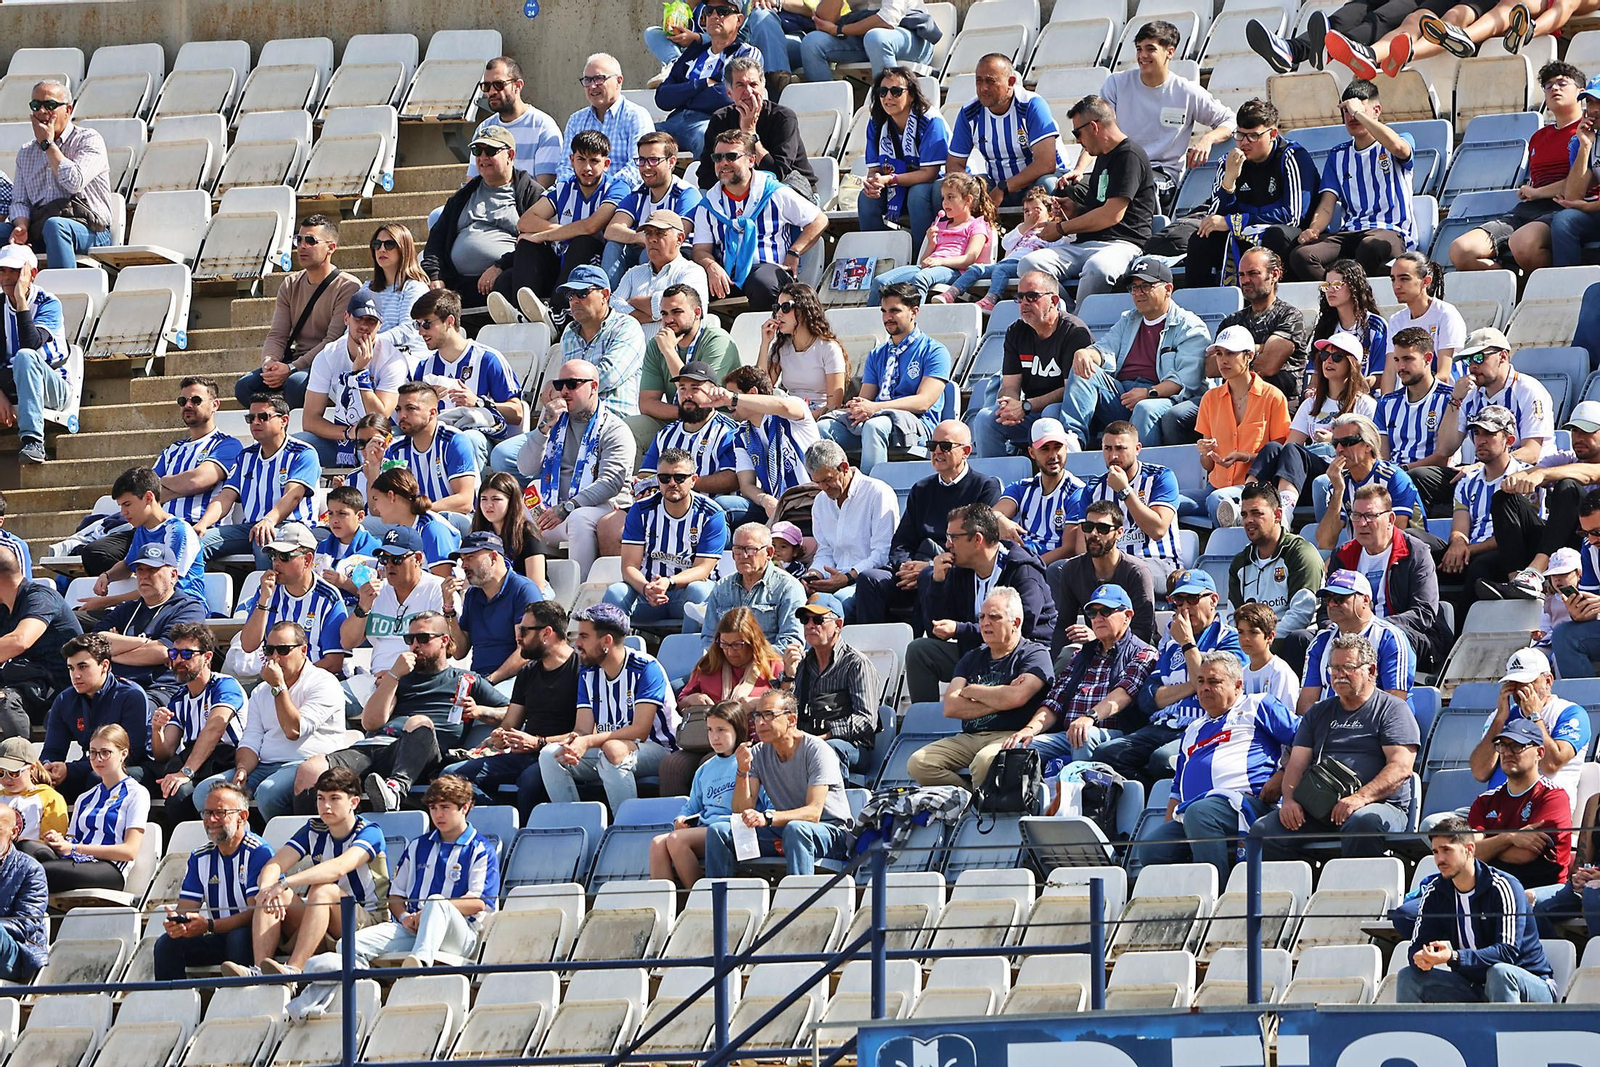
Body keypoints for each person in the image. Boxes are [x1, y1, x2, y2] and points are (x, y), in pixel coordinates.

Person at [306, 610, 508, 815]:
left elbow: (512, 711)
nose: (415, 645)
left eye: (423, 638)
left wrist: (480, 711)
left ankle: (395, 789)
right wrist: (393, 676)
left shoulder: (466, 680)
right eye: (410, 639)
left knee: (418, 722)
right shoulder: (398, 677)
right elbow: (371, 723)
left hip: (421, 753)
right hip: (375, 747)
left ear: (444, 641)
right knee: (311, 769)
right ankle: (312, 828)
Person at [1250, 633, 1419, 859]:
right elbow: (1296, 764)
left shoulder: (1393, 710)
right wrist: (1289, 801)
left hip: (1379, 805)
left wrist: (1360, 798)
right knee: (1264, 831)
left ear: (1371, 670)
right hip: (1319, 805)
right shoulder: (1318, 712)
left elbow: (1400, 767)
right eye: (1334, 668)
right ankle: (1299, 882)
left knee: (1361, 823)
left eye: (1347, 667)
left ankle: (1356, 884)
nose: (1339, 675)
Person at [1138, 652, 1300, 877]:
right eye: (1200, 681)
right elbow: (1177, 789)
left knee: (1199, 814)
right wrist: (1169, 829)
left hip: (1247, 805)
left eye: (1214, 682)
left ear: (1238, 685)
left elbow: (1305, 739)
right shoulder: (1193, 729)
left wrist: (1282, 775)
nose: (1204, 688)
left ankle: (1216, 892)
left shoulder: (1257, 705)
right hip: (1195, 813)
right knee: (1152, 849)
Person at [221, 766, 389, 979]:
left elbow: (338, 868)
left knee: (323, 890)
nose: (325, 806)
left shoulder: (370, 832)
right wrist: (268, 889)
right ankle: (259, 970)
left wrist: (285, 883)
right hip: (321, 917)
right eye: (320, 798)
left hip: (368, 921)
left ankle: (294, 971)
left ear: (354, 802)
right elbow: (274, 865)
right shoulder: (314, 829)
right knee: (274, 892)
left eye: (334, 798)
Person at [329, 775, 499, 973]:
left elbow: (479, 902)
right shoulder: (418, 845)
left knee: (436, 902)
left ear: (465, 807)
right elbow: (395, 895)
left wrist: (429, 912)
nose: (438, 814)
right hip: (413, 929)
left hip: (460, 935)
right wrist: (404, 917)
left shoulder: (481, 849)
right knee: (348, 945)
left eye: (445, 807)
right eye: (433, 808)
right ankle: (371, 986)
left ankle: (419, 966)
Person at [78, 376, 243, 577]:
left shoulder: (227, 444)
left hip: (192, 528)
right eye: (182, 401)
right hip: (156, 527)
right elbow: (149, 492)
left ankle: (150, 587)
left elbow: (197, 480)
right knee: (95, 552)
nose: (188, 405)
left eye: (196, 400)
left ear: (215, 404)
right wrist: (175, 485)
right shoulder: (172, 450)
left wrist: (164, 483)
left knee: (161, 562)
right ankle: (139, 589)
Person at [1103, 570, 1248, 786]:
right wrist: (1193, 684)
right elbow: (1148, 699)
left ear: (1213, 600)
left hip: (1206, 726)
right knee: (1106, 754)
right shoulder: (1172, 645)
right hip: (1163, 725)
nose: (1184, 607)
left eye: (1192, 599)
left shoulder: (1230, 639)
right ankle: (1147, 799)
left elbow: (1215, 690)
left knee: (1161, 760)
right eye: (1179, 601)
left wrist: (1188, 644)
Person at [191, 621, 350, 818]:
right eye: (269, 650)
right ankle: (239, 835)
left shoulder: (324, 682)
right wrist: (242, 769)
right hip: (264, 765)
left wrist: (278, 687)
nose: (275, 657)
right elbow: (250, 740)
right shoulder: (261, 691)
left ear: (303, 650)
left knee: (268, 793)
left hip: (304, 764)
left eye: (283, 650)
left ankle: (282, 835)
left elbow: (294, 730)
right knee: (205, 792)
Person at [1150, 102, 1316, 288]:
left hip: (1286, 235)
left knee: (1276, 235)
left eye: (1253, 136)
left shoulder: (1291, 157)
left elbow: (1293, 217)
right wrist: (1229, 180)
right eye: (1240, 135)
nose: (1244, 142)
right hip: (1241, 233)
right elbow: (1214, 217)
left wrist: (1234, 222)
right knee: (1201, 238)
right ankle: (1202, 300)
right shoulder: (1229, 161)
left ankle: (1276, 296)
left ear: (1272, 134)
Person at [852, 420, 1000, 628]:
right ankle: (872, 646)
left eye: (945, 446)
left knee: (928, 577)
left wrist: (928, 567)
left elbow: (979, 545)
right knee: (870, 579)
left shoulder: (985, 487)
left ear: (966, 451)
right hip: (915, 569)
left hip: (957, 572)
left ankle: (920, 645)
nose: (937, 451)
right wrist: (906, 566)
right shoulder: (921, 489)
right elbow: (902, 541)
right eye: (932, 446)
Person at [905, 502, 1056, 703]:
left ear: (977, 539)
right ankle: (925, 719)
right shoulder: (960, 571)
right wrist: (938, 582)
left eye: (953, 538)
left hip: (1019, 658)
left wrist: (959, 630)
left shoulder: (1023, 570)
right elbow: (936, 628)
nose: (947, 545)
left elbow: (1022, 628)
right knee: (920, 651)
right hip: (977, 654)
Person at [907, 586, 1055, 791]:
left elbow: (1018, 697)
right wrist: (1003, 698)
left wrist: (972, 691)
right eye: (982, 617)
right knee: (919, 763)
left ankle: (979, 806)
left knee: (984, 762)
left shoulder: (1035, 654)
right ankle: (968, 797)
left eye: (994, 617)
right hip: (970, 737)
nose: (985, 623)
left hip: (1011, 734)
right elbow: (951, 707)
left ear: (1016, 622)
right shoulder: (972, 657)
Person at [1397, 815, 1557, 1003]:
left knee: (1500, 973)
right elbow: (1417, 945)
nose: (1440, 859)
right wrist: (1421, 957)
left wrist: (1454, 957)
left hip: (1529, 982)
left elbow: (1507, 953)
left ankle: (1505, 1024)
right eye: (1435, 852)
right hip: (1473, 986)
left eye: (1447, 850)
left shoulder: (1503, 887)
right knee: (1409, 977)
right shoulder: (1435, 892)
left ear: (1469, 849)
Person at [444, 601, 580, 819]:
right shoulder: (528, 672)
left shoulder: (580, 669)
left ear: (547, 633)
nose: (517, 638)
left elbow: (585, 732)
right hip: (524, 755)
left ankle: (524, 831)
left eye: (524, 631)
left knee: (530, 780)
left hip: (560, 755)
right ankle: (503, 821)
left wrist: (539, 742)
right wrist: (500, 737)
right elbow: (510, 723)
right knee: (452, 777)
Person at [1448, 64, 1585, 273]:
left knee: (1524, 243)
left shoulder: (1589, 131)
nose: (1555, 88)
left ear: (1580, 92)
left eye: (1562, 83)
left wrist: (1537, 192)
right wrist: (1532, 192)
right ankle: (1516, 283)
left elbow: (1583, 181)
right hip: (1529, 209)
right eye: (1548, 86)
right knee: (1461, 251)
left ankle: (1543, 287)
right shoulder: (1538, 137)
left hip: (1564, 208)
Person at [1019, 96, 1158, 302]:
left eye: (1077, 133)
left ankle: (1080, 319)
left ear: (1094, 126)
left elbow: (1111, 215)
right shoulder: (1103, 156)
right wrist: (1074, 210)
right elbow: (1098, 207)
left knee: (1098, 268)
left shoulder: (1130, 156)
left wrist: (1061, 228)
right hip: (1086, 244)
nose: (1077, 140)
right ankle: (1065, 315)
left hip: (1123, 245)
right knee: (1029, 265)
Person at [1059, 257, 1209, 448]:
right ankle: (1072, 441)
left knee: (1145, 408)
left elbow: (1185, 381)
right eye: (1134, 288)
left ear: (1168, 289)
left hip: (1164, 398)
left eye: (1146, 286)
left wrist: (1149, 393)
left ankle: (1143, 464)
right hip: (1123, 395)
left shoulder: (1189, 326)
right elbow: (1104, 349)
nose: (1138, 293)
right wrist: (1086, 354)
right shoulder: (1129, 319)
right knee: (1083, 369)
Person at [542, 603, 679, 809]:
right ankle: (575, 822)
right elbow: (582, 729)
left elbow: (640, 731)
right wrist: (574, 743)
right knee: (550, 755)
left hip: (659, 749)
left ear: (607, 640)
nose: (577, 643)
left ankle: (626, 824)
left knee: (612, 750)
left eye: (584, 636)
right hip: (608, 746)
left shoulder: (646, 668)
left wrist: (588, 741)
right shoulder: (588, 672)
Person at [510, 359, 637, 577]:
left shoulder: (615, 429)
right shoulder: (553, 420)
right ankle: (528, 581)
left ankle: (581, 586)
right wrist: (544, 427)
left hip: (604, 508)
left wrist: (568, 507)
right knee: (520, 501)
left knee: (579, 518)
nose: (564, 391)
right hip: (556, 506)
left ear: (593, 387)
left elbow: (610, 484)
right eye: (559, 385)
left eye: (572, 384)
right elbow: (525, 467)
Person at [705, 689, 852, 875]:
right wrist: (742, 771)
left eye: (769, 715)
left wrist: (768, 817)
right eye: (757, 715)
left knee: (796, 829)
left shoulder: (817, 750)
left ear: (791, 719)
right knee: (719, 831)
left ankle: (800, 893)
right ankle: (721, 893)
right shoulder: (758, 753)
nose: (760, 723)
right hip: (783, 829)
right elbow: (741, 810)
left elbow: (814, 813)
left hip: (830, 833)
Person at [1008, 583, 1160, 764]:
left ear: (1127, 616)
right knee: (1019, 747)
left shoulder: (1144, 653)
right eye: (1092, 613)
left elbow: (1124, 694)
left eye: (1105, 611)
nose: (1098, 618)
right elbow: (1055, 701)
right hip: (1069, 734)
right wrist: (1029, 729)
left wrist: (1090, 717)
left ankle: (1080, 783)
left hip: (1117, 737)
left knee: (1084, 735)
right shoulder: (1080, 655)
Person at [1289, 81, 1416, 281]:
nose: (1351, 117)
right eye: (1346, 111)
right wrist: (1314, 229)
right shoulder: (1338, 155)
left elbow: (1399, 148)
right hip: (1350, 232)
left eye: (1356, 110)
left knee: (1369, 247)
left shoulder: (1399, 140)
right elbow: (1327, 205)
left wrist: (1359, 114)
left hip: (1390, 231)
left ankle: (1357, 293)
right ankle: (1338, 291)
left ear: (1376, 111)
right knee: (1302, 255)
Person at [1097, 20, 1237, 200]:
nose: (1142, 55)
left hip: (1161, 176)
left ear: (1170, 52)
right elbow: (1098, 129)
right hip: (1118, 170)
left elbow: (1230, 120)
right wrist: (1078, 170)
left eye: (1150, 49)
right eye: (1139, 49)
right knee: (1071, 191)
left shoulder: (1186, 91)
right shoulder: (1116, 83)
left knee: (1127, 188)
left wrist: (1207, 139)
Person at [819, 282, 952, 470]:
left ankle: (871, 486)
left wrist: (875, 408)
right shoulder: (877, 354)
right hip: (876, 420)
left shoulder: (935, 351)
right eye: (884, 311)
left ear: (914, 312)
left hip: (918, 426)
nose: (887, 317)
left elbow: (923, 402)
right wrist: (859, 407)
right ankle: (833, 485)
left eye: (894, 311)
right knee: (823, 428)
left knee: (875, 426)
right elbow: (866, 398)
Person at [496, 131, 626, 320]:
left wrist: (543, 235)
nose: (587, 168)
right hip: (561, 264)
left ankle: (557, 314)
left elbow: (591, 226)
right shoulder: (563, 187)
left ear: (606, 164)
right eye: (581, 160)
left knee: (583, 241)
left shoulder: (617, 188)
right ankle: (522, 313)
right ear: (572, 160)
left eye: (594, 161)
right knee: (523, 250)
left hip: (591, 267)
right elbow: (525, 221)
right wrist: (560, 232)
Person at [236, 216, 363, 408]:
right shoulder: (290, 283)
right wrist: (269, 363)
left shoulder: (348, 286)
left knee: (295, 385)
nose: (302, 246)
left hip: (328, 363)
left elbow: (332, 341)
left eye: (311, 241)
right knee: (245, 387)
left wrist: (292, 368)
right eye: (299, 239)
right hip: (295, 361)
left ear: (331, 248)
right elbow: (277, 334)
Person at [693, 130, 828, 312]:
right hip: (726, 273)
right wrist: (711, 266)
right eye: (718, 157)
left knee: (762, 284)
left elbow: (819, 220)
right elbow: (700, 250)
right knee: (689, 288)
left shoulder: (775, 192)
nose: (723, 163)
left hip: (768, 269)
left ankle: (774, 329)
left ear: (751, 160)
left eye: (731, 157)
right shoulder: (709, 204)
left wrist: (795, 252)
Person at [151, 782, 275, 980]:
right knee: (167, 944)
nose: (211, 820)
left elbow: (256, 913)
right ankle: (173, 999)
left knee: (238, 937)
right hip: (219, 935)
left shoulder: (258, 852)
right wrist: (179, 924)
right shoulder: (200, 856)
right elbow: (186, 909)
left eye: (220, 813)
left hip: (256, 939)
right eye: (207, 813)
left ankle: (243, 996)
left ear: (242, 817)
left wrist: (210, 925)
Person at [1245, 334, 1377, 516]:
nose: (1328, 361)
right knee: (1272, 449)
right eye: (1324, 355)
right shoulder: (1311, 404)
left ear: (1352, 363)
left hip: (1340, 471)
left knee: (1292, 450)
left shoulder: (1365, 404)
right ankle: (1245, 502)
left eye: (1337, 356)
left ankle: (1284, 514)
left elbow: (1371, 451)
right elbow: (1290, 446)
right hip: (1308, 474)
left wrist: (1334, 441)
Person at [1329, 484, 1452, 670]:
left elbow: (1423, 613)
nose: (1362, 523)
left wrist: (1373, 627)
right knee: (1301, 639)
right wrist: (1338, 630)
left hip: (1407, 634)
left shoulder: (1416, 553)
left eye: (1370, 516)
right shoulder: (1343, 555)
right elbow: (1327, 609)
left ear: (1390, 519)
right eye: (1356, 515)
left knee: (1391, 638)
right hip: (1351, 635)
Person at [603, 446, 729, 626]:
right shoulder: (640, 510)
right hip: (648, 594)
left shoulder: (711, 514)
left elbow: (703, 569)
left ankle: (690, 645)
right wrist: (646, 588)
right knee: (615, 593)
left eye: (679, 478)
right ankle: (614, 644)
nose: (671, 483)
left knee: (699, 591)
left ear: (693, 480)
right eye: (664, 478)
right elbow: (629, 566)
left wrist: (669, 583)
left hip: (686, 593)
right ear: (657, 480)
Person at [192, 393, 321, 569]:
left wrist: (269, 520)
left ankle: (269, 588)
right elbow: (225, 497)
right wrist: (203, 524)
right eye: (250, 418)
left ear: (284, 420)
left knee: (264, 541)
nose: (255, 422)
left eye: (263, 417)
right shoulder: (246, 456)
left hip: (292, 528)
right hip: (252, 528)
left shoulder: (303, 453)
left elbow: (293, 495)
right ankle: (193, 588)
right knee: (196, 543)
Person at [972, 272, 1090, 458]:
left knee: (1050, 413)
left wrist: (1026, 406)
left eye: (1032, 296)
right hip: (1029, 410)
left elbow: (1071, 390)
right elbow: (1010, 385)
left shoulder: (1074, 332)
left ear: (1054, 300)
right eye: (1020, 297)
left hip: (1064, 412)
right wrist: (1010, 405)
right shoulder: (1016, 331)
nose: (1024, 303)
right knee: (985, 419)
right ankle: (993, 475)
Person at [407, 288, 524, 472]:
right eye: (418, 325)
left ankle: (469, 491)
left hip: (479, 437)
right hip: (436, 438)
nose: (421, 332)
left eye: (427, 324)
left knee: (468, 439)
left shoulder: (487, 359)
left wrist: (478, 402)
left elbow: (517, 413)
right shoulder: (424, 367)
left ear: (449, 321)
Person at [425, 126, 542, 307]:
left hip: (506, 280)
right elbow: (436, 239)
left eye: (491, 151)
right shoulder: (463, 196)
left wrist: (500, 266)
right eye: (477, 151)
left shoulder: (531, 194)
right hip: (458, 284)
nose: (483, 157)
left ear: (510, 155)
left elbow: (538, 243)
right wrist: (435, 276)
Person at [1488, 402, 1600, 589]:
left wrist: (1543, 475)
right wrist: (1516, 480)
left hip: (1591, 542)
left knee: (1568, 487)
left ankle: (1536, 570)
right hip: (1558, 540)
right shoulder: (1565, 458)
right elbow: (1529, 473)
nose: (1578, 438)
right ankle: (1517, 580)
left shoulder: (1571, 467)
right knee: (1503, 499)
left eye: (1587, 432)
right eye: (1575, 431)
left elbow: (1589, 475)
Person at [27, 723, 149, 893]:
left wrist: (75, 848)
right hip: (78, 860)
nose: (98, 759)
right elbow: (72, 839)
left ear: (123, 754)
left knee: (39, 872)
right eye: (93, 752)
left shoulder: (136, 793)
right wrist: (58, 841)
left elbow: (129, 851)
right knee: (26, 849)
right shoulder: (85, 797)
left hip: (109, 867)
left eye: (105, 752)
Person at [9, 80, 113, 270]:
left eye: (50, 105)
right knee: (4, 231)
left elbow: (74, 182)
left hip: (90, 228)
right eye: (36, 106)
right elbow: (20, 201)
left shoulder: (88, 140)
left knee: (55, 227)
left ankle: (66, 286)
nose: (42, 111)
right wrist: (21, 225)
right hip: (40, 227)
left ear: (68, 110)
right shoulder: (26, 152)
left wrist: (48, 145)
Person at [1194, 326, 1293, 526]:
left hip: (1257, 489)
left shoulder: (1273, 397)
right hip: (1215, 487)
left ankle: (1238, 523)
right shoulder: (1209, 398)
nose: (1223, 360)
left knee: (1216, 501)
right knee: (1164, 502)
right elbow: (1208, 465)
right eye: (1219, 354)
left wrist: (1245, 457)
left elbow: (1279, 456)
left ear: (1249, 356)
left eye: (1230, 353)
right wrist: (1205, 453)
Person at [297, 290, 407, 468]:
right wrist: (348, 433)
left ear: (380, 325)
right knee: (296, 447)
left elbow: (381, 416)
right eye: (359, 318)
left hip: (383, 436)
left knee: (379, 448)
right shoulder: (328, 355)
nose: (364, 326)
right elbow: (310, 420)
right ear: (346, 318)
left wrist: (359, 374)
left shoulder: (392, 359)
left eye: (371, 321)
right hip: (343, 436)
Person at [149, 623, 244, 823]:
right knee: (139, 778)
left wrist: (186, 772)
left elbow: (214, 729)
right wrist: (157, 730)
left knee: (180, 794)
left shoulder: (224, 685)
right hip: (197, 761)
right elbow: (165, 753)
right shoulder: (180, 696)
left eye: (187, 654)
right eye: (174, 653)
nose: (178, 660)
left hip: (227, 760)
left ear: (207, 657)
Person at [652, 701, 753, 887]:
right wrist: (681, 818)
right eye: (710, 730)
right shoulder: (705, 768)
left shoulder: (749, 760)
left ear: (738, 729)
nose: (714, 737)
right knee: (657, 844)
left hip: (730, 829)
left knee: (676, 840)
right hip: (704, 828)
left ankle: (700, 897)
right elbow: (692, 806)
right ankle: (667, 902)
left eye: (721, 730)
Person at [629, 287, 741, 456]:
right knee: (627, 431)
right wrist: (684, 413)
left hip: (717, 419)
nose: (668, 320)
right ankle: (642, 475)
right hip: (678, 418)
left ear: (697, 312)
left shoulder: (718, 341)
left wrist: (669, 351)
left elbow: (705, 397)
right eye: (664, 314)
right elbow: (646, 404)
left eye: (676, 312)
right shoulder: (656, 344)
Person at [90, 543, 207, 704]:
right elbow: (95, 644)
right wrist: (146, 644)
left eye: (152, 570)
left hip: (160, 689)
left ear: (173, 575)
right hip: (115, 686)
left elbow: (163, 652)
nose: (144, 576)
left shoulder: (188, 608)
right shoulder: (126, 609)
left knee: (129, 708)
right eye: (140, 570)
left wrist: (114, 650)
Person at [39, 633, 148, 800]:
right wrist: (48, 768)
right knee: (43, 783)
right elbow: (53, 750)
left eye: (83, 667)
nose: (75, 675)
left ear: (104, 666)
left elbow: (131, 754)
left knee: (99, 778)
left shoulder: (131, 696)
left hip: (132, 768)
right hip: (91, 766)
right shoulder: (64, 700)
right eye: (71, 668)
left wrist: (70, 769)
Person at [946, 54, 1062, 209]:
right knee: (948, 188)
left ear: (1011, 82)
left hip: (1038, 181)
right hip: (996, 183)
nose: (983, 88)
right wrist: (972, 189)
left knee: (1047, 183)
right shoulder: (969, 112)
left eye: (990, 81)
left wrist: (1004, 187)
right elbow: (954, 164)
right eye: (979, 81)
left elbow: (1046, 164)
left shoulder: (1031, 106)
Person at [1472, 648, 1590, 799]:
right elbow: (1480, 772)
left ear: (1548, 681)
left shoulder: (1570, 713)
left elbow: (1551, 765)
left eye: (1526, 682)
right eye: (1513, 683)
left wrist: (1535, 717)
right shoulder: (1500, 715)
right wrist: (1500, 719)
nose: (1519, 689)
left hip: (1543, 804)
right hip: (1495, 805)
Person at [1430, 327, 1556, 468]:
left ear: (1503, 356)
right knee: (1423, 475)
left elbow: (1531, 453)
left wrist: (1479, 468)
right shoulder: (1469, 394)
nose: (1472, 366)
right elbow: (1445, 449)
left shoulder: (1528, 390)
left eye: (1479, 358)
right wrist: (1455, 400)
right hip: (1482, 471)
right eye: (1468, 361)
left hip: (1525, 472)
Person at [802, 439, 900, 619]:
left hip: (867, 582)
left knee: (828, 608)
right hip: (835, 580)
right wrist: (814, 574)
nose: (823, 488)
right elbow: (825, 551)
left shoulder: (878, 493)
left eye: (828, 480)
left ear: (844, 467)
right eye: (817, 482)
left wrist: (848, 577)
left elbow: (883, 552)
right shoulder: (820, 501)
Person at [85, 465, 203, 613]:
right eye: (121, 506)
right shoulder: (141, 530)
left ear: (148, 497)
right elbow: (128, 565)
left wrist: (107, 601)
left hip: (182, 609)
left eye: (127, 504)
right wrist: (107, 576)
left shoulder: (178, 531)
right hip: (149, 608)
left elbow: (164, 586)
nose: (123, 512)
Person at [866, 173, 997, 305]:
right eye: (943, 198)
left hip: (956, 271)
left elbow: (969, 260)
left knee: (921, 278)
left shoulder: (977, 225)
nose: (945, 202)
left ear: (968, 200)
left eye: (950, 197)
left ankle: (915, 316)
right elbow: (923, 262)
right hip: (929, 268)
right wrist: (931, 243)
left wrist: (940, 261)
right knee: (880, 282)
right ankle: (871, 317)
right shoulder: (939, 225)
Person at [655, 0, 762, 161]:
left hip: (711, 121)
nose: (714, 16)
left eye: (723, 11)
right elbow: (662, 98)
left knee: (705, 136)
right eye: (709, 11)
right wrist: (702, 84)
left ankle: (706, 179)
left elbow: (727, 96)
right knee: (643, 135)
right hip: (675, 121)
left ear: (739, 20)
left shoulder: (745, 52)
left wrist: (683, 96)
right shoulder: (693, 53)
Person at [700, 55, 817, 201]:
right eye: (740, 85)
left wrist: (750, 134)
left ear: (763, 87)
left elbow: (778, 174)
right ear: (729, 93)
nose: (748, 92)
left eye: (753, 84)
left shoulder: (783, 117)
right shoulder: (720, 119)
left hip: (790, 193)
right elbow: (705, 175)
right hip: (737, 195)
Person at [238, 522, 350, 674]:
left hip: (317, 680)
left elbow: (333, 662)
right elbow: (248, 645)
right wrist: (263, 600)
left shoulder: (328, 598)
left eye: (284, 556)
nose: (276, 562)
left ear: (307, 560)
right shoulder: (267, 590)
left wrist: (292, 679)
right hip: (275, 678)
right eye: (273, 555)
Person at [365, 382, 479, 532]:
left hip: (453, 519)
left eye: (410, 408)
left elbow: (464, 501)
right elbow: (376, 509)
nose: (401, 416)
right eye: (399, 409)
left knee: (444, 520)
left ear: (432, 413)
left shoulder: (453, 441)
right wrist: (374, 467)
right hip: (412, 520)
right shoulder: (395, 449)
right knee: (365, 524)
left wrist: (417, 511)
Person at [1053, 500, 1160, 656]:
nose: (1094, 534)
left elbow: (1143, 631)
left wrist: (1100, 639)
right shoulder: (1071, 570)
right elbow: (1064, 625)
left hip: (1136, 652)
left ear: (1119, 533)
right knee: (1065, 657)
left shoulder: (1137, 572)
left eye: (1102, 528)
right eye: (1088, 527)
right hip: (1095, 650)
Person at [1078, 422, 1184, 581]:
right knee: (1059, 571)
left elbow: (1157, 530)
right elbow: (1082, 543)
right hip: (1107, 564)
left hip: (1157, 562)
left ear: (1137, 449)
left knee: (1128, 572)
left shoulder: (1160, 477)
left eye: (1120, 448)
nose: (1113, 456)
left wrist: (1124, 491)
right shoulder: (1093, 488)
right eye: (1108, 449)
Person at [1298, 570, 1416, 711]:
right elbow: (1307, 702)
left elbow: (1395, 703)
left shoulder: (1389, 638)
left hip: (1375, 721)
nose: (1331, 604)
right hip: (1328, 722)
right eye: (1327, 599)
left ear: (1365, 600)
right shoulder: (1321, 641)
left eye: (1339, 598)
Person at [716, 365, 823, 519]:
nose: (728, 404)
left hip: (811, 498)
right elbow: (746, 485)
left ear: (752, 393)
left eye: (733, 396)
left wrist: (734, 399)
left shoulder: (791, 407)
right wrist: (765, 500)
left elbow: (784, 407)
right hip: (774, 505)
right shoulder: (741, 435)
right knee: (722, 505)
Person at [790, 593, 881, 773]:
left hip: (851, 746)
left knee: (827, 750)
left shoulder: (856, 663)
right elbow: (792, 709)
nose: (809, 625)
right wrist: (787, 676)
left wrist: (826, 736)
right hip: (810, 741)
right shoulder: (802, 663)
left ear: (838, 625)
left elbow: (866, 720)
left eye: (818, 620)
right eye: (805, 620)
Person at [1228, 482, 1325, 649]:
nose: (1248, 520)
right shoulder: (1240, 562)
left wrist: (1261, 643)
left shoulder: (1301, 554)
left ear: (1277, 515)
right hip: (1253, 645)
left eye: (1256, 513)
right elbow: (1233, 618)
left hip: (1291, 644)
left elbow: (1301, 615)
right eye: (1244, 514)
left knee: (1296, 639)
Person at [442, 533, 541, 696]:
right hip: (480, 681)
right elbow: (459, 652)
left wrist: (489, 681)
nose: (464, 565)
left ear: (493, 557)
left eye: (470, 557)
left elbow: (526, 652)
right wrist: (449, 609)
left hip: (516, 682)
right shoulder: (472, 595)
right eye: (462, 559)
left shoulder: (523, 590)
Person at [857, 65, 947, 241]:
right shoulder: (876, 123)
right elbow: (874, 169)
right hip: (897, 183)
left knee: (917, 194)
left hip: (937, 184)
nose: (888, 97)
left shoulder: (931, 121)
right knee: (867, 198)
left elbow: (930, 174)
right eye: (883, 92)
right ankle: (876, 253)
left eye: (896, 91)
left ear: (911, 94)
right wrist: (873, 182)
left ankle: (921, 253)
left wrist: (890, 179)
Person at [995, 418, 1086, 591]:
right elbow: (994, 514)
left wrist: (1029, 566)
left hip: (1046, 567)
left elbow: (1069, 548)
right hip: (1021, 560)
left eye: (1057, 447)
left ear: (1066, 447)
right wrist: (1000, 519)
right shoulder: (1022, 487)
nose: (1053, 455)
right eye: (1045, 449)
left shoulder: (1077, 492)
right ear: (1032, 452)